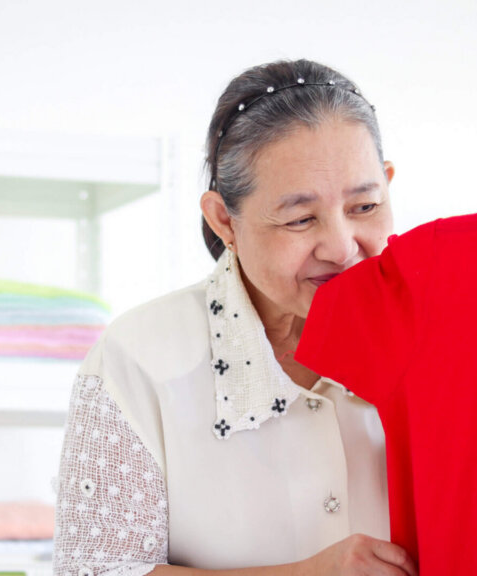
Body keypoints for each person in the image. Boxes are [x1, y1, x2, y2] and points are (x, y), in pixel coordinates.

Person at [54, 59, 416, 576]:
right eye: (300, 219)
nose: (341, 247)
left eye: (364, 206)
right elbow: (96, 570)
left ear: (387, 183)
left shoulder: (448, 337)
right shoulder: (137, 359)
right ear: (224, 218)